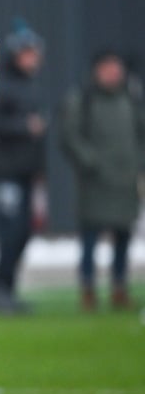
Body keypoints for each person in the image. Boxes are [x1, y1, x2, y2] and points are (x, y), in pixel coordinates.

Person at [59, 50, 145, 311]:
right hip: (95, 182)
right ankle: (88, 288)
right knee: (90, 237)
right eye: (108, 68)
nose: (113, 73)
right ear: (97, 70)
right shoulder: (82, 99)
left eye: (116, 68)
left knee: (123, 235)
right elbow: (70, 136)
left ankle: (119, 287)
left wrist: (137, 163)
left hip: (125, 180)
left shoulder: (132, 99)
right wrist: (91, 162)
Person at [0, 20, 47, 314]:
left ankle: (6, 288)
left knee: (22, 233)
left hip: (24, 173)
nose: (34, 58)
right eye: (29, 53)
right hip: (5, 173)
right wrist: (24, 127)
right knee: (10, 233)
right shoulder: (3, 84)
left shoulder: (29, 85)